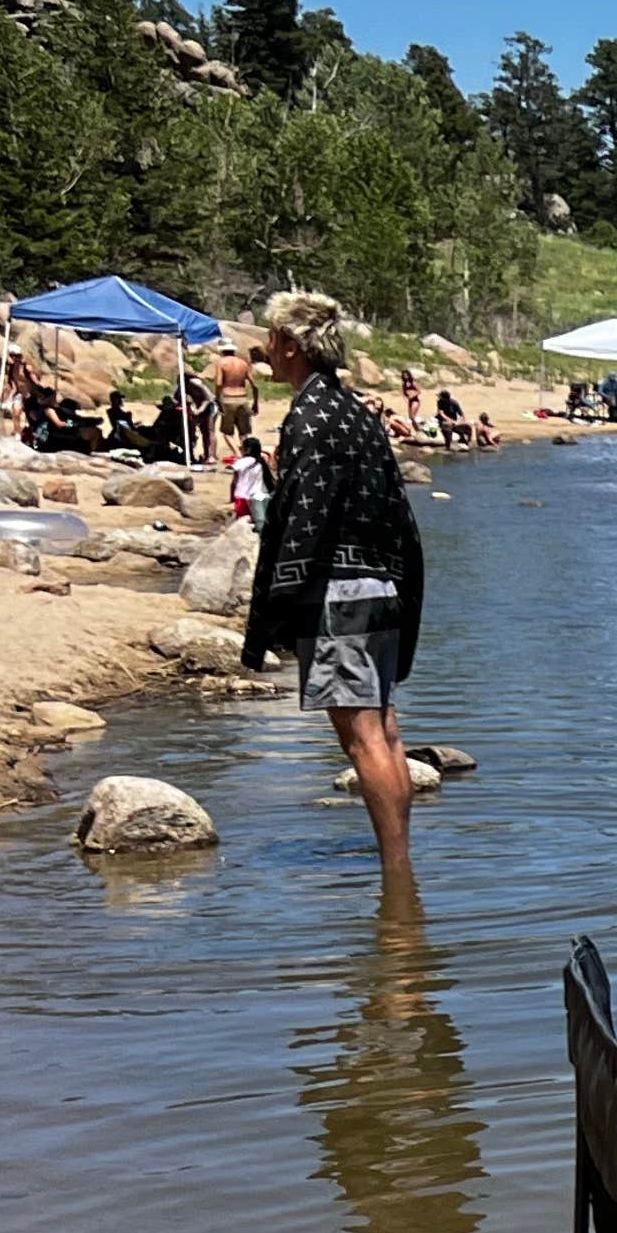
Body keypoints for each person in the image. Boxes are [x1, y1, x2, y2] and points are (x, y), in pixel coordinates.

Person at [238, 288, 427, 882]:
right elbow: (398, 512)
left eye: (271, 339)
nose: (266, 348)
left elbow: (305, 518)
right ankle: (400, 866)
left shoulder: (311, 418)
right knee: (385, 731)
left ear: (291, 347)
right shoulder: (357, 414)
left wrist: (275, 608)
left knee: (363, 738)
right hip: (382, 587)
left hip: (338, 593)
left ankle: (397, 878)